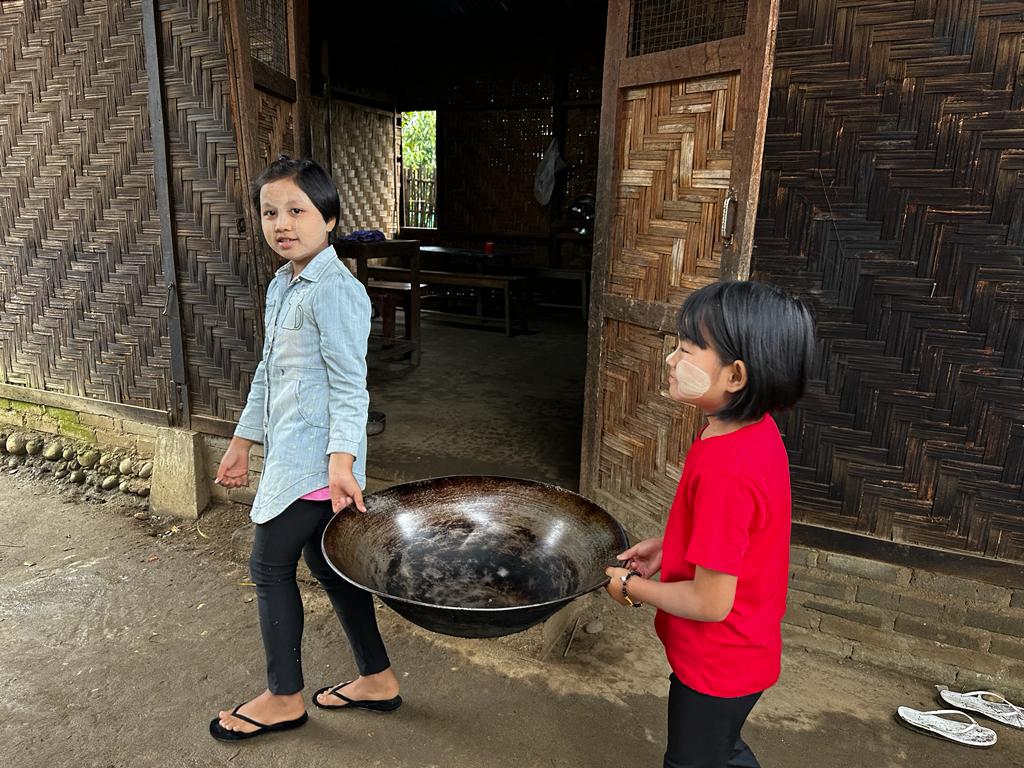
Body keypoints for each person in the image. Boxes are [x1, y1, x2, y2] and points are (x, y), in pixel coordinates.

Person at [210, 156, 401, 742]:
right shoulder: (283, 284)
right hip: (294, 454)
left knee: (269, 568)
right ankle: (378, 679)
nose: (282, 223)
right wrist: (243, 440)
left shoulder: (336, 291)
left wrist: (342, 462)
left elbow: (350, 385)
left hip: (316, 465)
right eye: (270, 212)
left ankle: (283, 698)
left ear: (330, 217)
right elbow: (269, 372)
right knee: (330, 567)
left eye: (297, 210)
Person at [604, 280, 815, 767]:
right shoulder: (745, 430)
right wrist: (669, 547)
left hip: (717, 662)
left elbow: (709, 601)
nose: (670, 360)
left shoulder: (729, 470)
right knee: (721, 750)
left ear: (735, 376)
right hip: (741, 649)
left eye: (685, 349)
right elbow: (734, 536)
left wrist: (632, 587)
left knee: (693, 761)